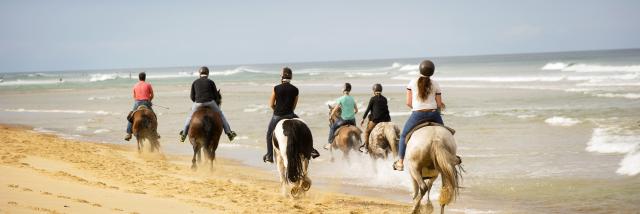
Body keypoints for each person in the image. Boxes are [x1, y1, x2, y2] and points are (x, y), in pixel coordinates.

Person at [393, 60, 446, 171]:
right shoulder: (435, 83)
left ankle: (400, 162)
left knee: (403, 136)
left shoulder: (412, 82)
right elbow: (439, 104)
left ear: (420, 69)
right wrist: (440, 105)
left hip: (417, 115)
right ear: (433, 71)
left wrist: (419, 108)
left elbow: (408, 102)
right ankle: (452, 157)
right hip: (434, 114)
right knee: (446, 134)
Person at [263, 67, 319, 163]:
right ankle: (311, 150)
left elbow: (271, 104)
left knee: (269, 133)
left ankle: (269, 155)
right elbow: (294, 106)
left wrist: (276, 110)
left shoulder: (276, 88)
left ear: (282, 76)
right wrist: (289, 112)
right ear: (291, 77)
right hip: (290, 114)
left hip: (278, 115)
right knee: (305, 128)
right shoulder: (295, 89)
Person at [179, 66, 237, 142]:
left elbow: (192, 97)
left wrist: (197, 101)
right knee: (221, 115)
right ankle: (229, 133)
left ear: (199, 73)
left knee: (190, 117)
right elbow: (216, 96)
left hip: (198, 103)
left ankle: (184, 134)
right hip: (210, 103)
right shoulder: (211, 82)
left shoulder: (195, 82)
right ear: (208, 73)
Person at [324, 83, 358, 149]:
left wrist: (331, 115)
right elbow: (356, 110)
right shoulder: (352, 99)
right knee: (356, 131)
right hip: (352, 120)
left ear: (343, 89)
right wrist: (351, 114)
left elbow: (335, 109)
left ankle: (329, 143)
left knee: (333, 127)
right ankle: (359, 144)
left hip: (344, 120)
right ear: (350, 90)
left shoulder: (341, 99)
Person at [124, 72, 156, 141]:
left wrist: (138, 100)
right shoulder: (148, 85)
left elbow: (134, 96)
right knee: (153, 116)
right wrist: (149, 101)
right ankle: (155, 132)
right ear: (145, 77)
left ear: (139, 78)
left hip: (137, 102)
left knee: (131, 117)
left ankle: (129, 133)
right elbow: (152, 95)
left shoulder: (135, 85)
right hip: (146, 102)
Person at [360, 83, 391, 151]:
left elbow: (368, 109)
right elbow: (386, 110)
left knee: (367, 132)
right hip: (385, 120)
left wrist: (363, 119)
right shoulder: (384, 99)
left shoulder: (372, 99)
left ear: (374, 91)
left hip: (375, 121)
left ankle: (366, 147)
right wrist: (389, 120)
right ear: (381, 90)